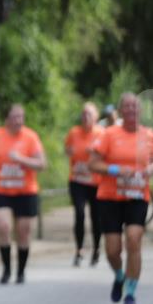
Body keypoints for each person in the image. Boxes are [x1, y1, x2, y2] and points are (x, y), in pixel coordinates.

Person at [89, 93, 153, 304]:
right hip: (110, 197)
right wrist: (116, 170)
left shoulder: (149, 135)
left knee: (134, 240)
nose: (131, 110)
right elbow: (93, 163)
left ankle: (130, 292)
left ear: (140, 110)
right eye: (127, 106)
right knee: (112, 250)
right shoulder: (109, 134)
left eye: (134, 106)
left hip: (137, 196)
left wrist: (150, 169)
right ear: (120, 111)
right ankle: (120, 276)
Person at [0, 104, 48, 284]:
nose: (18, 120)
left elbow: (42, 164)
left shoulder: (31, 137)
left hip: (25, 191)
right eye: (14, 117)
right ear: (7, 119)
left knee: (23, 232)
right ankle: (6, 268)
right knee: (3, 227)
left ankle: (20, 270)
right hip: (0, 189)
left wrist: (22, 159)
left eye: (21, 117)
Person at [64, 103, 105, 267]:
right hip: (77, 180)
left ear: (95, 117)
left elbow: (107, 155)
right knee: (79, 214)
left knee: (96, 217)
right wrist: (71, 151)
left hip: (96, 182)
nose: (85, 117)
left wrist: (94, 152)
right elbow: (67, 150)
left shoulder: (101, 133)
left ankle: (96, 249)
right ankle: (79, 250)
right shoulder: (74, 132)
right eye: (83, 114)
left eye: (89, 114)